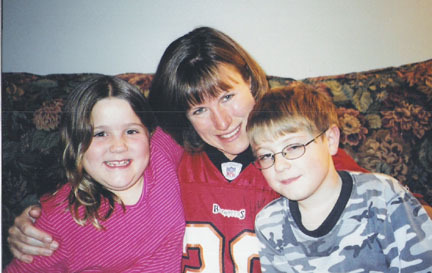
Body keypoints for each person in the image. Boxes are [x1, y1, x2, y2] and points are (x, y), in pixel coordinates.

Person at [8, 27, 366, 272]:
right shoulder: (170, 150)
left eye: (228, 96)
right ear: (184, 118)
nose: (223, 122)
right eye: (199, 109)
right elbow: (107, 156)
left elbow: (388, 207)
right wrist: (41, 216)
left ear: (252, 84)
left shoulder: (298, 153)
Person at [4, 76, 185, 272]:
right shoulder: (58, 220)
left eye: (131, 131)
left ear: (149, 135)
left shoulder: (163, 151)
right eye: (100, 134)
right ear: (76, 145)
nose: (118, 146)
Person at [246, 83, 432, 272]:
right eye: (266, 156)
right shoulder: (270, 223)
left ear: (331, 140)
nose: (280, 165)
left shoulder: (384, 196)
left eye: (293, 147)